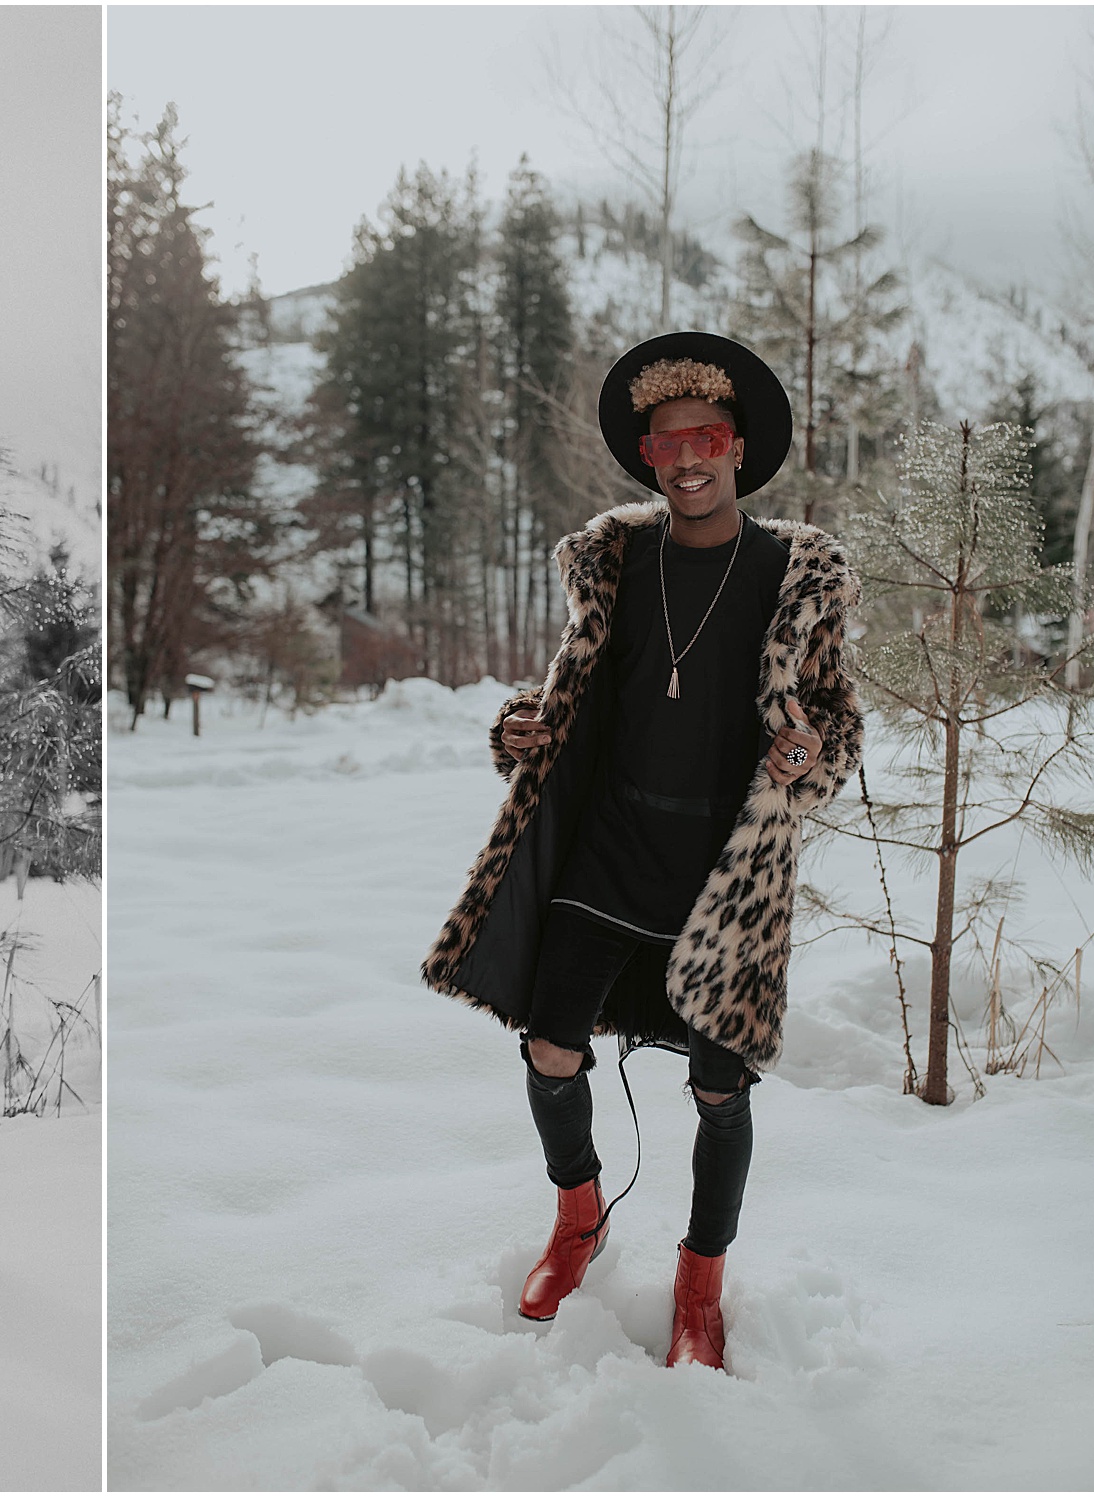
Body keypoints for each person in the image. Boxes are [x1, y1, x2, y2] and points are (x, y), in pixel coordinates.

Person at [420, 331, 863, 1370]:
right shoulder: (614, 562)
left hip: (724, 873)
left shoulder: (793, 576)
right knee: (549, 1045)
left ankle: (699, 1282)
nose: (686, 458)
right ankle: (578, 1216)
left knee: (718, 1089)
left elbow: (837, 721)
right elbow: (567, 689)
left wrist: (809, 752)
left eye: (705, 437)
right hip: (608, 849)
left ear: (738, 446)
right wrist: (521, 727)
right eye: (666, 443)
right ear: (647, 458)